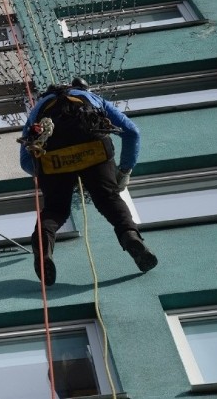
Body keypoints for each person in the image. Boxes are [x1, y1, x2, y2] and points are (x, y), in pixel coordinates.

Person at [19, 78, 158, 286]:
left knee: (55, 210)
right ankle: (130, 236)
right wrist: (125, 170)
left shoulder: (38, 108)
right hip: (94, 147)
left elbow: (25, 161)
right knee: (108, 198)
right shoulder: (91, 97)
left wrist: (53, 173)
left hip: (52, 157)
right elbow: (132, 132)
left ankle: (43, 248)